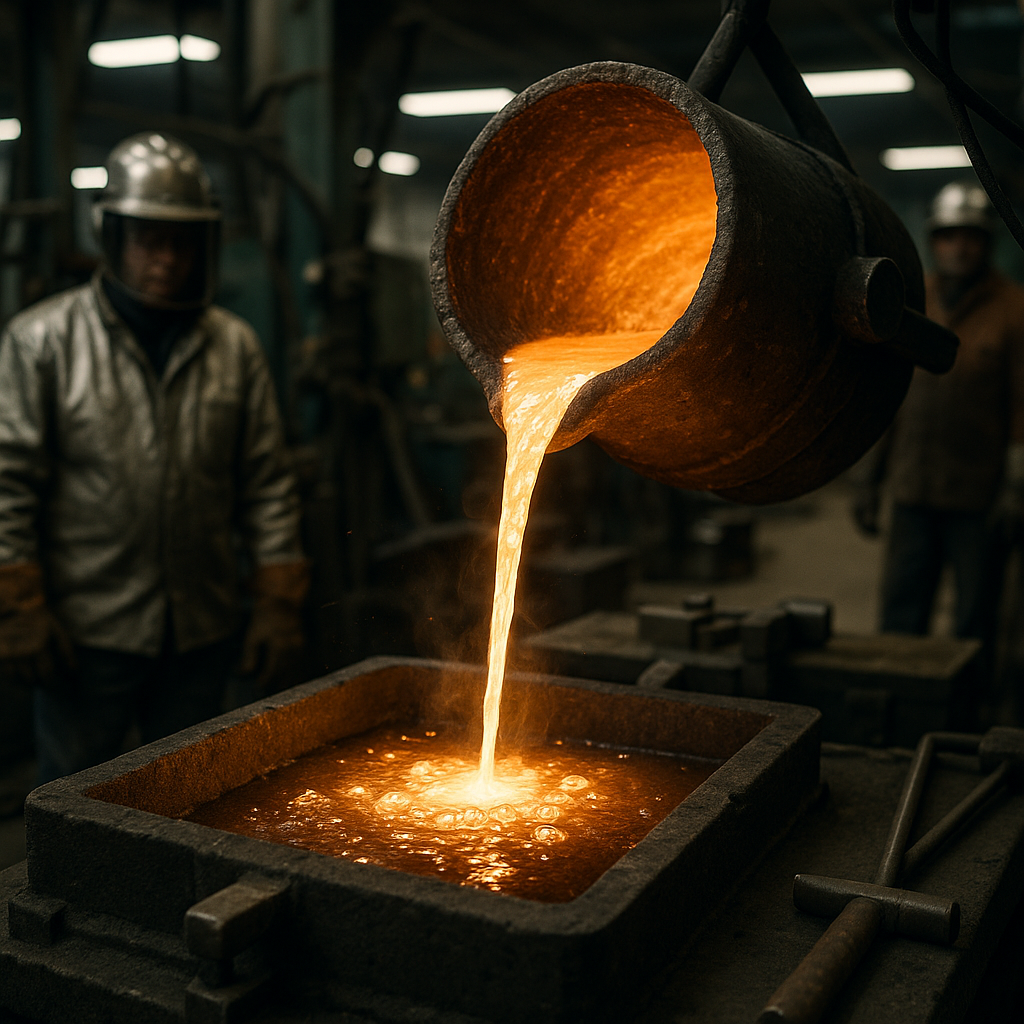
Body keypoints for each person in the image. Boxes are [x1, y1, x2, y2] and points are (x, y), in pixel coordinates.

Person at [0, 132, 309, 783]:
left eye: (181, 241)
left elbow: (267, 485)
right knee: (78, 811)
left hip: (201, 632)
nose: (165, 259)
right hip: (86, 637)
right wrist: (20, 610)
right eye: (147, 239)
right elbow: (9, 485)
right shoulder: (41, 343)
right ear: (111, 236)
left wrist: (278, 604)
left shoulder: (234, 347)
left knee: (194, 798)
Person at [852, 180, 1024, 700]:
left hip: (978, 500)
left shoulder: (1015, 310)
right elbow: (890, 399)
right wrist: (870, 481)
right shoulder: (913, 301)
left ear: (987, 241)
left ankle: (965, 719)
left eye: (969, 236)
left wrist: (1016, 488)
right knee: (902, 610)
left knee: (974, 618)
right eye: (948, 236)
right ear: (934, 240)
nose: (959, 247)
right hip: (912, 492)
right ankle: (899, 711)